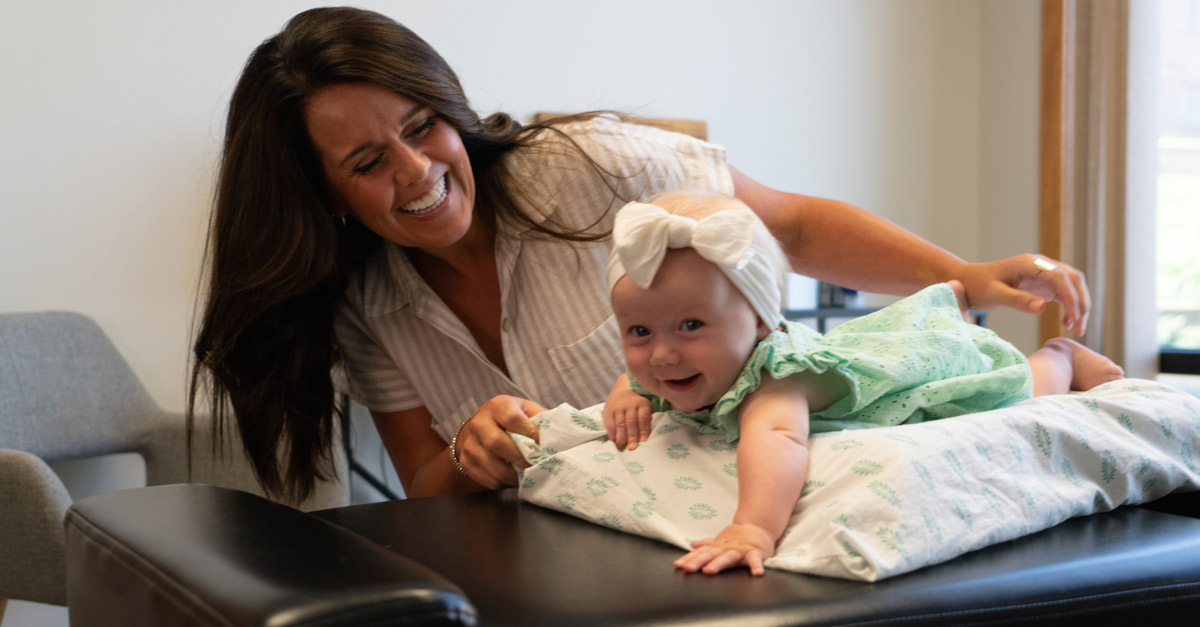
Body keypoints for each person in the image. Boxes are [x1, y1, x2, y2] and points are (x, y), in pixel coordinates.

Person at [189, 6, 1092, 504]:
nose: (420, 171)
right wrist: (470, 453)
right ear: (325, 195)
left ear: (448, 107)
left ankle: (1059, 366)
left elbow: (795, 230)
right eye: (367, 163)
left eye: (423, 126)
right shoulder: (366, 305)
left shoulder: (591, 166)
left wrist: (965, 277)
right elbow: (426, 485)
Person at [601, 191, 1123, 576]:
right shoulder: (677, 362)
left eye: (692, 326)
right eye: (639, 331)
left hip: (918, 370)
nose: (663, 354)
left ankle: (1061, 355)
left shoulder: (776, 382)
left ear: (761, 323)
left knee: (1016, 390)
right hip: (867, 346)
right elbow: (643, 372)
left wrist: (752, 527)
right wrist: (626, 391)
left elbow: (777, 439)